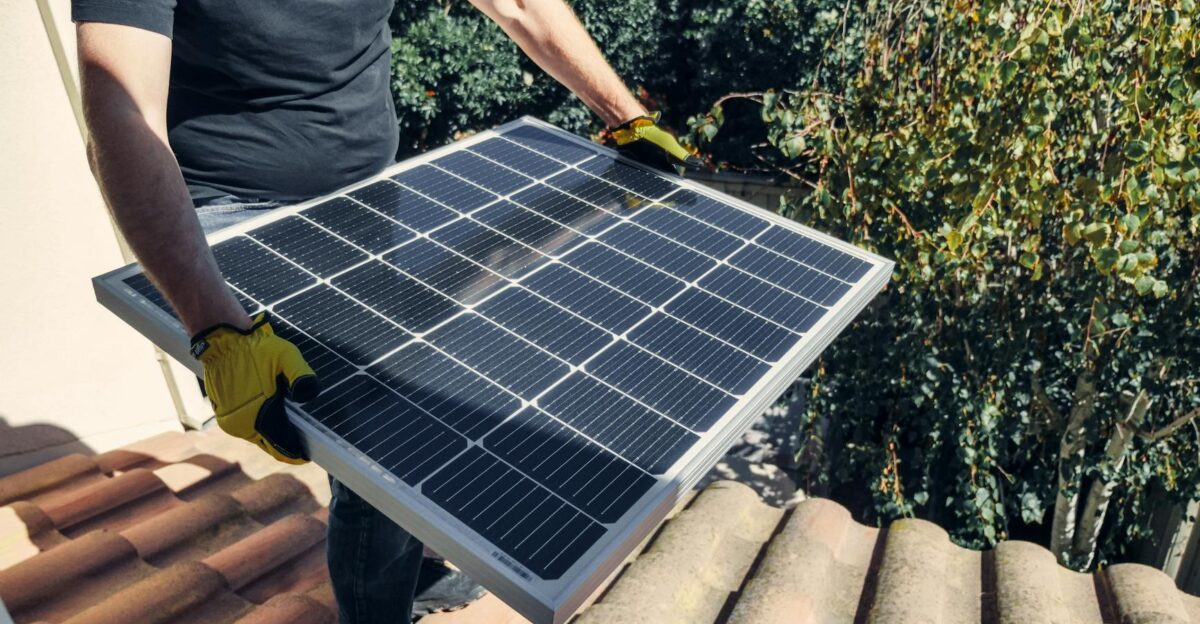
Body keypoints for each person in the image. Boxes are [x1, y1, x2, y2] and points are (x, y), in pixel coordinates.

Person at [72, 0, 699, 621]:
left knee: (435, 386)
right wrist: (215, 325)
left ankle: (408, 562)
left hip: (371, 194)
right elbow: (121, 112)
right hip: (238, 210)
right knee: (380, 437)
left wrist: (627, 118)